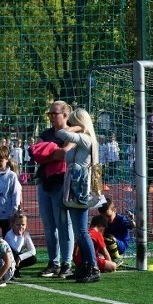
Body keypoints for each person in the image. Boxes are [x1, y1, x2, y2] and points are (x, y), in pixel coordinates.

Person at [32, 100, 74, 278]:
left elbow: (64, 153)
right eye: (49, 114)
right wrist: (52, 154)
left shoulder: (72, 132)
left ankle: (66, 263)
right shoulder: (46, 133)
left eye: (53, 114)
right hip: (44, 181)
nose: (50, 117)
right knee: (49, 226)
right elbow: (35, 153)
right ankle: (53, 262)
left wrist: (46, 154)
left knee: (64, 224)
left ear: (65, 115)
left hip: (62, 182)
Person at [59, 108, 101, 283]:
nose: (70, 125)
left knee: (82, 231)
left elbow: (62, 133)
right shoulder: (83, 142)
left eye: (73, 122)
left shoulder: (85, 139)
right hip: (75, 189)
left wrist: (76, 128)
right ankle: (84, 265)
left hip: (80, 191)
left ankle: (93, 266)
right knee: (79, 231)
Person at [4, 212, 36, 280]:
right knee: (13, 253)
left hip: (16, 257)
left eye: (23, 224)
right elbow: (17, 249)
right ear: (12, 224)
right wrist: (20, 236)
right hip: (7, 257)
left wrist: (21, 257)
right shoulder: (9, 234)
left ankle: (16, 269)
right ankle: (9, 270)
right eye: (18, 225)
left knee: (33, 259)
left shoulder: (26, 234)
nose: (21, 227)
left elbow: (33, 251)